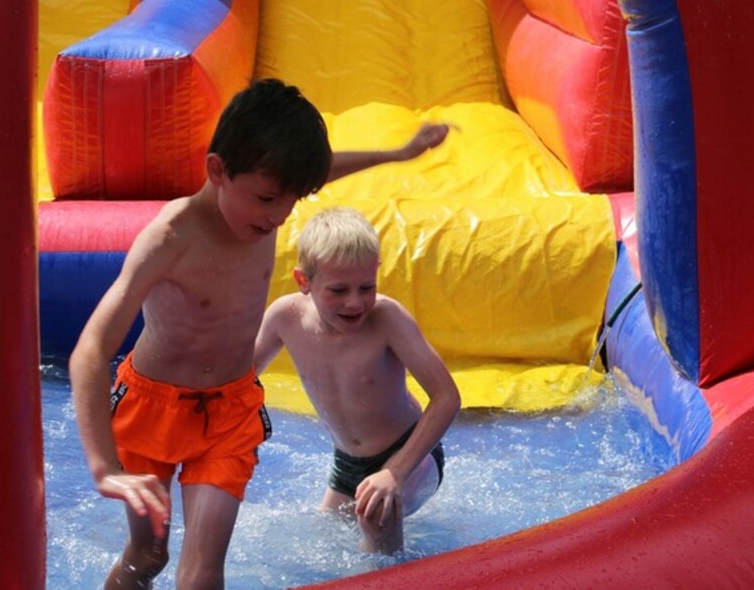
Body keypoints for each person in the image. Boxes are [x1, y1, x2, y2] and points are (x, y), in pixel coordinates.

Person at [68, 78, 451, 590]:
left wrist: (397, 154)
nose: (279, 217)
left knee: (201, 575)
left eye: (291, 200)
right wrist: (103, 469)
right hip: (152, 406)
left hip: (228, 411)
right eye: (268, 199)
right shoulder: (170, 239)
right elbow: (91, 350)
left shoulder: (259, 206)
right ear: (217, 170)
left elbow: (311, 173)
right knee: (148, 555)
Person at [254, 207, 461, 555]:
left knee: (375, 527)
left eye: (367, 287)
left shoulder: (388, 320)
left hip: (409, 455)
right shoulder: (284, 318)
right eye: (338, 290)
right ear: (304, 281)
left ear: (376, 271)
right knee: (320, 541)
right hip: (346, 463)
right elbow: (238, 379)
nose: (355, 302)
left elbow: (447, 397)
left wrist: (395, 472)